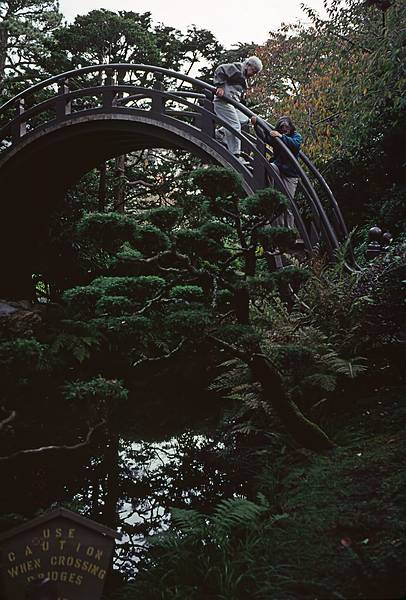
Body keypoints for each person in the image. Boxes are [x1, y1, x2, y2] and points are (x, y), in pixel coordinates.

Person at [252, 115, 302, 228]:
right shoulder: (276, 137)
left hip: (290, 174)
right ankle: (278, 229)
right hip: (278, 168)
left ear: (291, 127)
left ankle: (289, 231)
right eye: (282, 127)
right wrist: (256, 125)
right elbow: (265, 137)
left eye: (286, 127)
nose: (284, 129)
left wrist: (280, 136)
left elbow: (295, 145)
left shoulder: (296, 136)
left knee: (287, 204)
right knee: (271, 167)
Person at [213, 56, 263, 161]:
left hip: (232, 104)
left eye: (254, 73)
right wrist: (220, 86)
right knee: (235, 126)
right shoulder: (237, 68)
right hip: (223, 102)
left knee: (244, 119)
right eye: (253, 71)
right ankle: (235, 154)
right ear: (248, 65)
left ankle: (220, 133)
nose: (252, 74)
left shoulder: (244, 77)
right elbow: (221, 69)